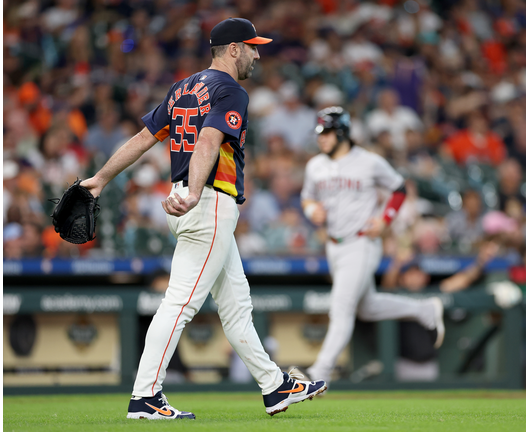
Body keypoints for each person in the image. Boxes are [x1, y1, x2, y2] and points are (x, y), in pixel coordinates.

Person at [79, 18, 326, 420]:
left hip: (191, 199)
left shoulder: (184, 87)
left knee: (236, 305)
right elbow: (209, 139)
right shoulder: (231, 89)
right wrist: (195, 192)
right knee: (179, 304)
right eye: (251, 46)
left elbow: (144, 138)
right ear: (233, 49)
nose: (257, 54)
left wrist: (100, 178)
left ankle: (274, 386)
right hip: (206, 201)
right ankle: (145, 396)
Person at [300, 106, 445, 387]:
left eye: (327, 133)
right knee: (366, 307)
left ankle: (320, 372)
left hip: (362, 242)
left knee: (341, 307)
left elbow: (399, 188)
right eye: (320, 134)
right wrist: (310, 211)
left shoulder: (369, 161)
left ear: (342, 133)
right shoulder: (314, 165)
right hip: (334, 245)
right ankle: (424, 310)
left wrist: (385, 219)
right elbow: (307, 198)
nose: (322, 139)